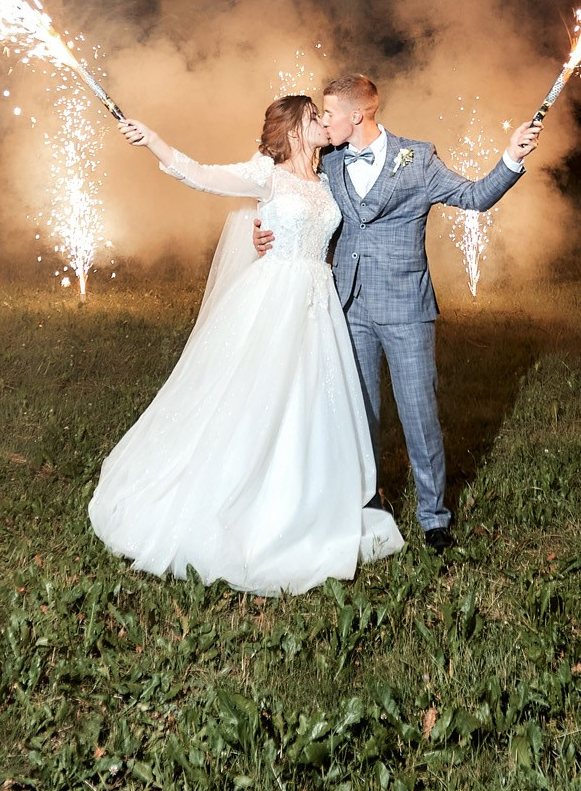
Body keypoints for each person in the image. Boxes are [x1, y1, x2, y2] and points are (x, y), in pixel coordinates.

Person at [87, 95, 404, 595]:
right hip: (275, 299)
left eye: (326, 117)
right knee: (258, 397)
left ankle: (310, 499)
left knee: (311, 402)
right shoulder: (266, 174)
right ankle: (242, 498)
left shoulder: (329, 176)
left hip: (319, 304)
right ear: (296, 128)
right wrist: (154, 142)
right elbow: (201, 174)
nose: (324, 124)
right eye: (315, 118)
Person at [255, 74, 544, 552]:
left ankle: (434, 518)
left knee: (419, 412)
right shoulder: (325, 161)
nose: (323, 123)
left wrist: (512, 155)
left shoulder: (419, 158)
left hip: (407, 307)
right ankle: (365, 505)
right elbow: (290, 198)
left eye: (329, 114)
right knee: (358, 412)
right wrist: (261, 229)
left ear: (358, 115)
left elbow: (475, 197)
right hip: (346, 306)